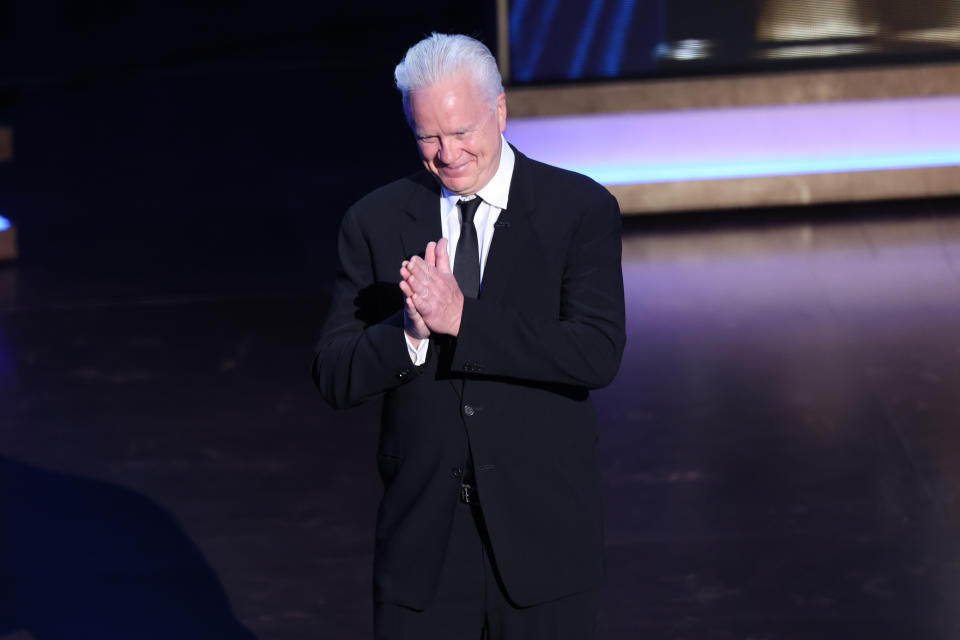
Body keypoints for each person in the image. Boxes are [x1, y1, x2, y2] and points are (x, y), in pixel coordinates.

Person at [314, 32, 625, 639]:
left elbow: (596, 351)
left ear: (500, 110)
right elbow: (334, 372)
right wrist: (407, 334)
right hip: (423, 555)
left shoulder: (578, 209)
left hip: (546, 548)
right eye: (428, 136)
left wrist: (465, 321)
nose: (448, 154)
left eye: (461, 133)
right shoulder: (375, 221)